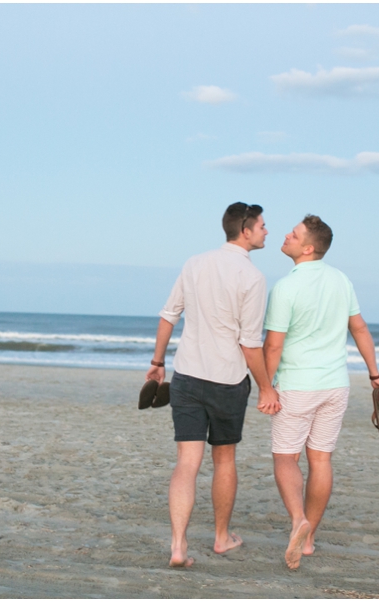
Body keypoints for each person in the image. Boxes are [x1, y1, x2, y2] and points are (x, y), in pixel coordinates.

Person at [146, 202, 280, 568]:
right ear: (246, 230)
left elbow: (168, 315)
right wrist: (267, 387)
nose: (267, 231)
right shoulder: (252, 278)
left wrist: (157, 364)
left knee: (186, 462)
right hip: (227, 380)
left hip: (187, 375)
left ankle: (178, 546)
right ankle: (221, 538)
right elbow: (249, 343)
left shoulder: (194, 263)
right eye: (263, 226)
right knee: (224, 459)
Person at [261, 215, 379, 570]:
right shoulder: (341, 279)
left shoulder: (285, 288)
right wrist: (375, 375)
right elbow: (360, 328)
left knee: (286, 458)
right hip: (336, 385)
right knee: (321, 460)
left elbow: (273, 346)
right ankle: (310, 539)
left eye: (293, 234)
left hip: (297, 386)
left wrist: (265, 386)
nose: (285, 235)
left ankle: (298, 520)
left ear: (307, 248)